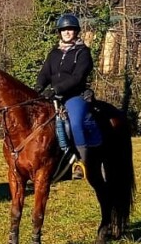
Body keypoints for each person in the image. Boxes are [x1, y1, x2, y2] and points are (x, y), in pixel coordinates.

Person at [35, 13, 98, 179]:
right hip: (54, 96)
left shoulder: (83, 52)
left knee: (75, 124)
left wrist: (56, 89)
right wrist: (39, 86)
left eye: (70, 29)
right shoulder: (54, 53)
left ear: (76, 31)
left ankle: (82, 162)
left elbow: (78, 77)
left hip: (75, 95)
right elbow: (45, 73)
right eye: (64, 30)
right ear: (60, 32)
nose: (67, 32)